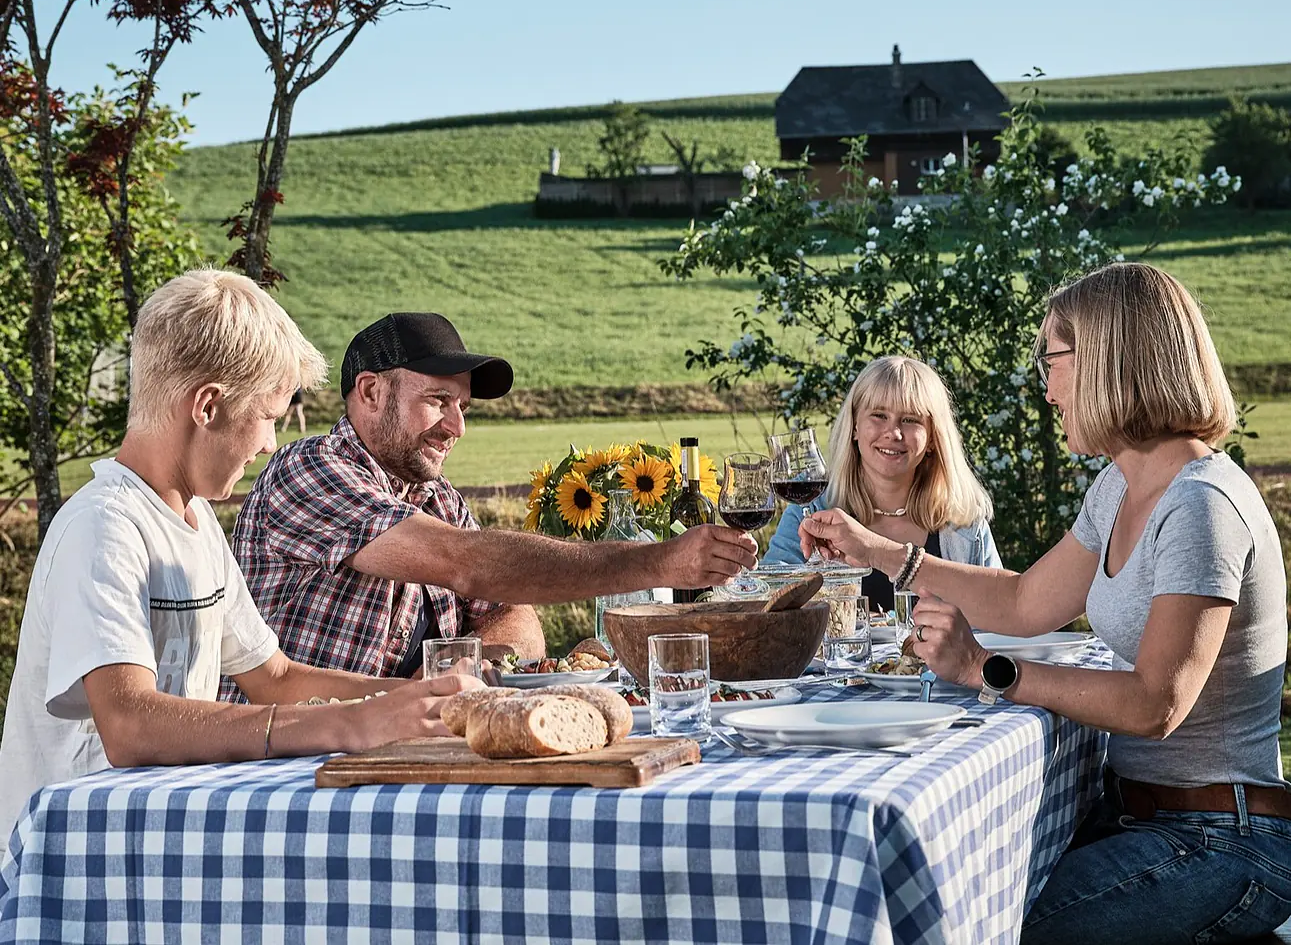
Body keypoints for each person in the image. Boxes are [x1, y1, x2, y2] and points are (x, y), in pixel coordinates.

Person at [800, 263, 1291, 942]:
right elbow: (1027, 601)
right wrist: (882, 554)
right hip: (1142, 816)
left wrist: (984, 669)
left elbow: (1155, 705)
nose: (1048, 389)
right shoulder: (1118, 488)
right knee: (964, 884)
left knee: (998, 923)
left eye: (1052, 363)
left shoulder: (1199, 505)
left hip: (1223, 839)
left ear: (1109, 362)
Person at [0, 270, 485, 840]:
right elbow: (130, 725)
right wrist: (352, 723)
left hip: (151, 835)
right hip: (66, 860)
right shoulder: (104, 524)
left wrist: (418, 699)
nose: (270, 443)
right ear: (207, 406)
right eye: (269, 416)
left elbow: (272, 677)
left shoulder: (195, 517)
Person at [225, 311, 757, 690]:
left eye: (463, 407)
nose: (456, 426)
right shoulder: (311, 470)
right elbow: (469, 565)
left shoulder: (439, 500)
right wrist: (662, 562)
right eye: (438, 401)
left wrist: (464, 667)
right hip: (294, 763)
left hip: (399, 749)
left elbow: (517, 615)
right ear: (369, 393)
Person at [763, 355, 1001, 611]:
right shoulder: (813, 504)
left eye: (910, 420)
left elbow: (999, 613)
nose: (893, 433)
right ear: (854, 426)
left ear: (933, 437)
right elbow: (769, 598)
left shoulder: (963, 522)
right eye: (879, 415)